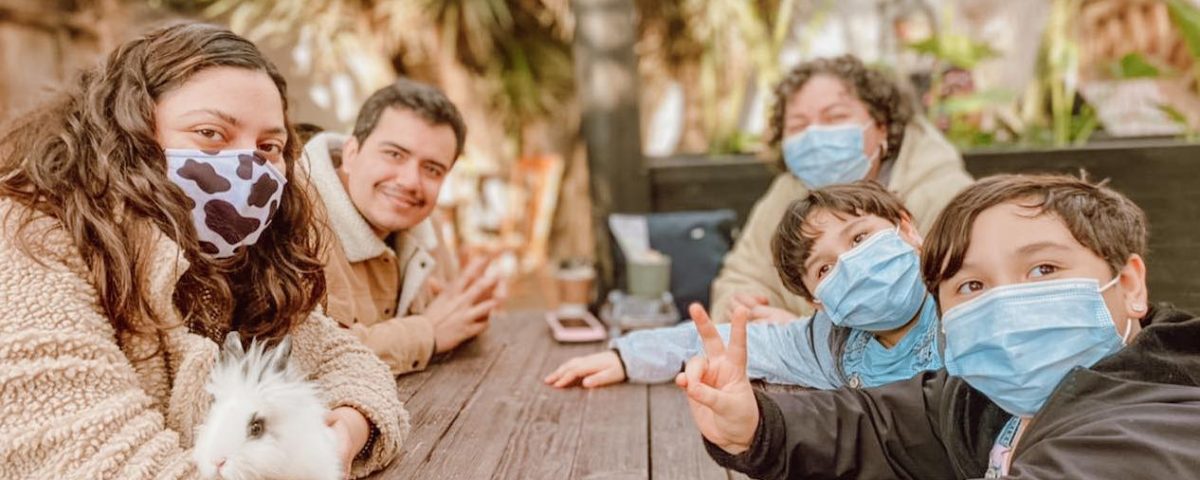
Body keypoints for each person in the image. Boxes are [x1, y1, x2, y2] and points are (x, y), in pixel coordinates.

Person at [0, 23, 405, 478]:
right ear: (127, 133)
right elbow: (87, 458)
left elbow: (345, 360)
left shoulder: (235, 253)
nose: (248, 166)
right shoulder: (30, 239)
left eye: (269, 146)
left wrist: (348, 428)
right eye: (210, 133)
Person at [682, 174, 1200, 479]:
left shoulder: (1151, 428)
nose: (1005, 301)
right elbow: (883, 427)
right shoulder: (995, 401)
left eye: (1043, 269)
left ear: (1130, 284)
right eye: (971, 286)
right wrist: (754, 426)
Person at [545, 181, 939, 390]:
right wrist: (626, 357)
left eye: (859, 238)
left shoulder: (964, 305)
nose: (853, 264)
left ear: (907, 227)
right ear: (817, 303)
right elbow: (730, 343)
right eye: (824, 269)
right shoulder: (828, 347)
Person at [711, 54, 973, 324]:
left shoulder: (946, 198)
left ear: (882, 125)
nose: (814, 136)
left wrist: (800, 335)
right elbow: (742, 274)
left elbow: (943, 317)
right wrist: (746, 307)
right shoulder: (786, 193)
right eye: (798, 125)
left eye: (834, 117)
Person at [302, 79, 502, 375]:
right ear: (351, 153)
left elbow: (451, 316)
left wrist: (464, 312)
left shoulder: (422, 220)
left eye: (432, 169)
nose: (411, 182)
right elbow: (302, 360)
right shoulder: (291, 213)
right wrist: (426, 333)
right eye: (394, 154)